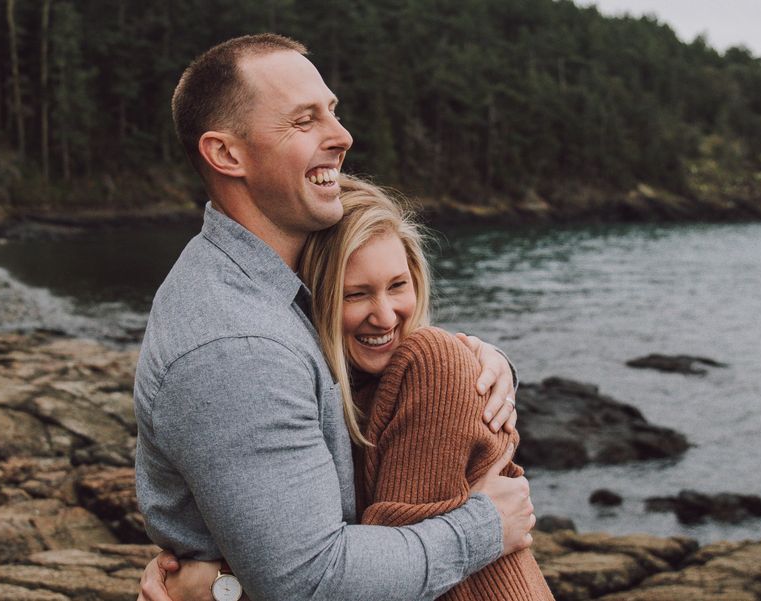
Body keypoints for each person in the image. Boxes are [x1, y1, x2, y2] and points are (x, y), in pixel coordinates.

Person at [134, 33, 533, 601]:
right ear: (227, 154)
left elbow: (375, 375)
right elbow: (311, 580)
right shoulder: (238, 345)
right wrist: (486, 527)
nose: (342, 136)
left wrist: (477, 363)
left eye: (333, 111)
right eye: (304, 121)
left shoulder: (273, 288)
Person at [300, 176, 554, 600]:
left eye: (398, 286)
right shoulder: (329, 390)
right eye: (356, 294)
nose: (385, 316)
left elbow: (390, 571)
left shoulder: (433, 362)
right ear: (317, 299)